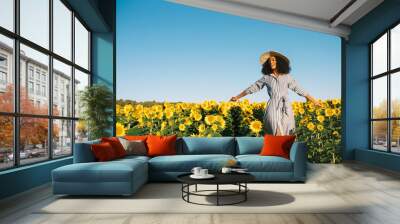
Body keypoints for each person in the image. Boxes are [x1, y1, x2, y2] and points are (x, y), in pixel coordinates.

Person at [230, 51, 322, 136]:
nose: (271, 62)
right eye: (269, 61)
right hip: (272, 107)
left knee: (288, 130)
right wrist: (237, 97)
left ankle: (286, 152)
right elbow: (252, 88)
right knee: (273, 128)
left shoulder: (287, 77)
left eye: (273, 60)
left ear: (279, 62)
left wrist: (314, 101)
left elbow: (299, 89)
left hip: (286, 106)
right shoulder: (266, 78)